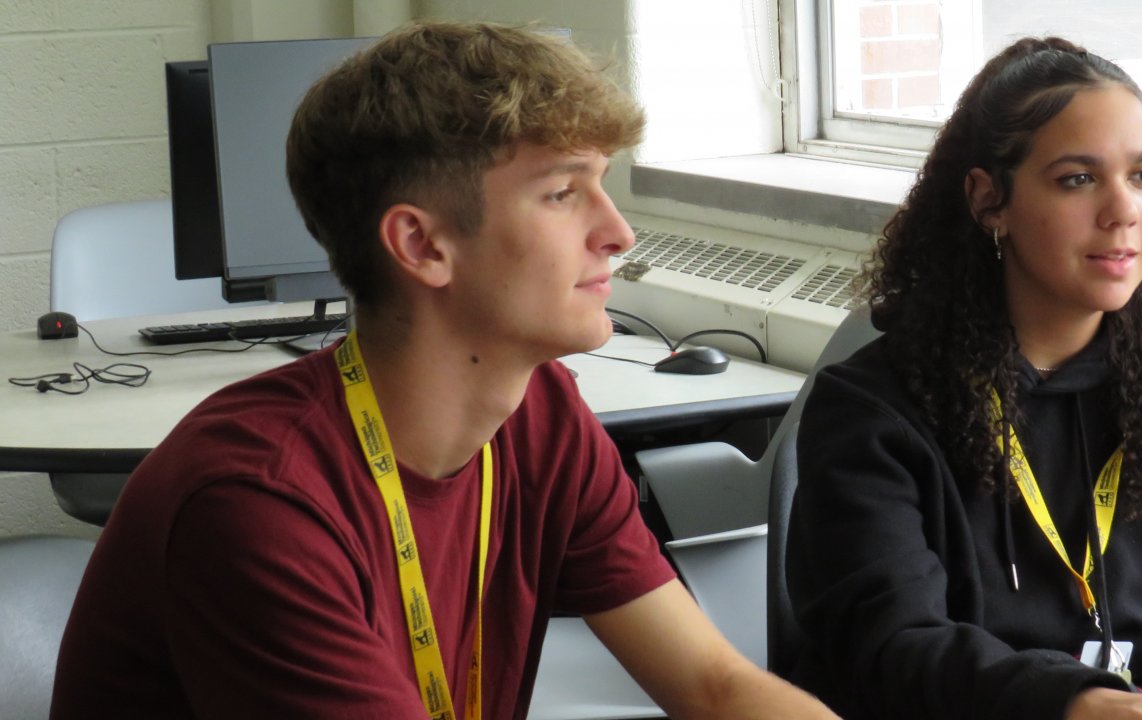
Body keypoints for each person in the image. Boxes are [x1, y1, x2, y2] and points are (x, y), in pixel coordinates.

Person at [51, 21, 837, 720]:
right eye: (564, 192)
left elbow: (714, 689)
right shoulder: (259, 504)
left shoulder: (545, 418)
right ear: (422, 246)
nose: (619, 232)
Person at [785, 36, 1142, 720]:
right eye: (1077, 179)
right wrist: (1071, 705)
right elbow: (890, 652)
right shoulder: (873, 415)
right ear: (990, 201)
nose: (1123, 212)